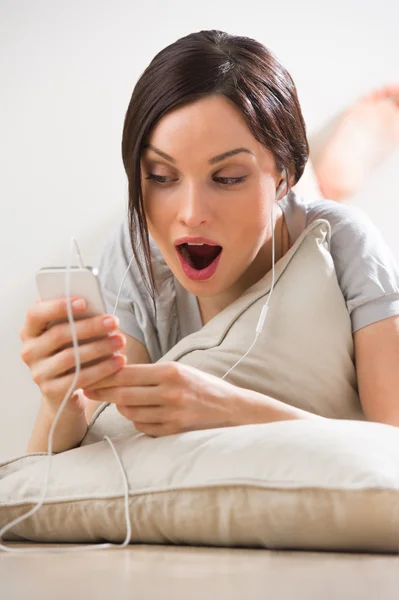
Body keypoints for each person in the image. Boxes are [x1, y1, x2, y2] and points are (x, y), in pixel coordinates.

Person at [20, 30, 399, 454]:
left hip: (300, 203)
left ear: (281, 177)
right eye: (161, 176)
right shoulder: (137, 249)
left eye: (228, 178)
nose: (190, 212)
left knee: (319, 209)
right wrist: (60, 403)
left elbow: (392, 450)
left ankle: (330, 175)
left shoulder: (347, 241)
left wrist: (232, 411)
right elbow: (66, 463)